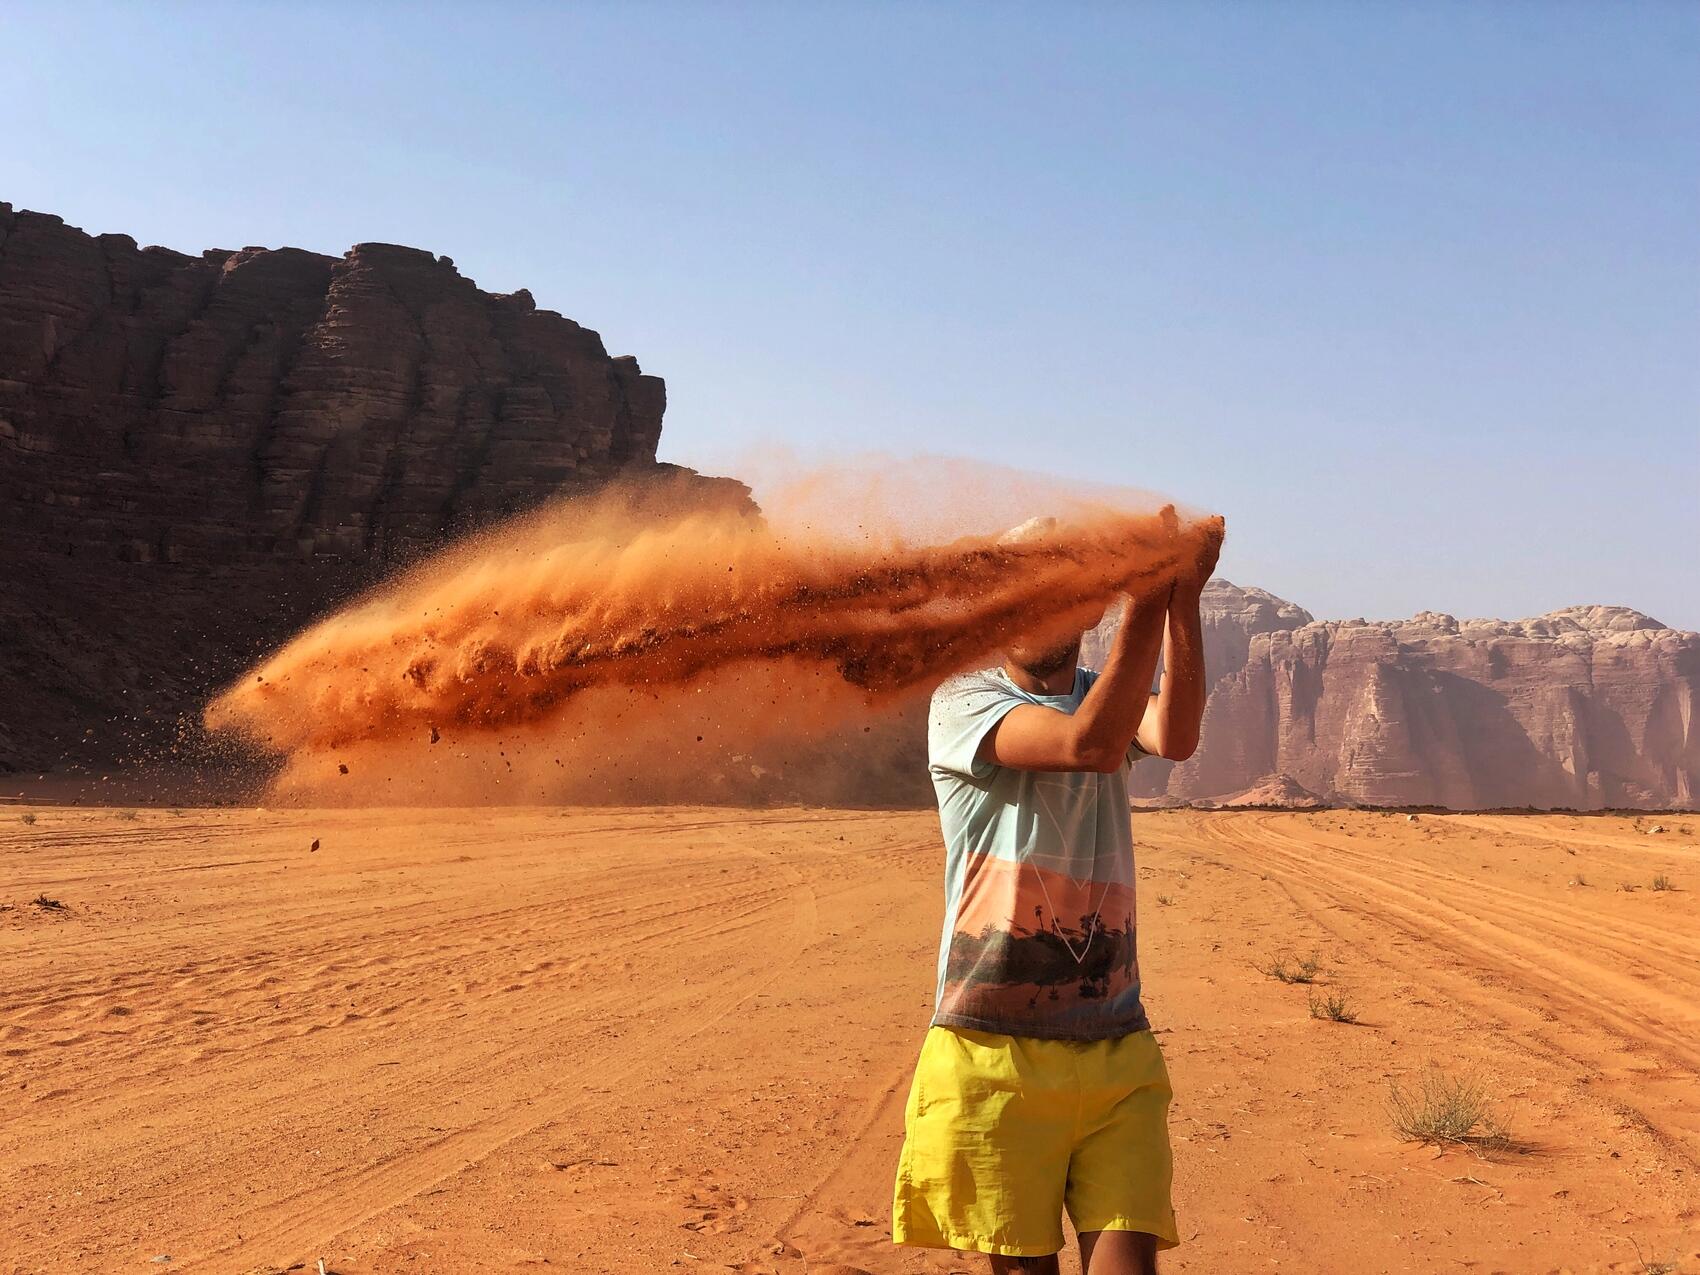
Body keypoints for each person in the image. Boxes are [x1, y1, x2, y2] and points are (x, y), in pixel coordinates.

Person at [892, 516, 1222, 1275]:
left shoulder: (1105, 694)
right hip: (991, 1051)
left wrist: (1184, 596)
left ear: (1087, 604)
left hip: (1116, 1044)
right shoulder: (963, 702)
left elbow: (1174, 736)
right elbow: (1088, 745)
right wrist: (1149, 590)